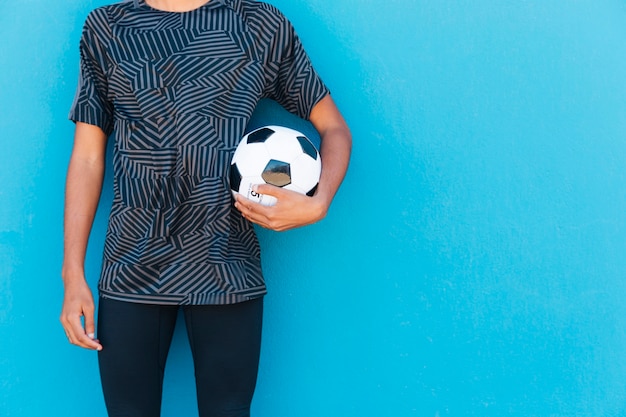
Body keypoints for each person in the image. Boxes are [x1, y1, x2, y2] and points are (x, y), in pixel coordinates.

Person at [59, 0, 351, 416]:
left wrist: (319, 202)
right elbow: (88, 157)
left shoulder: (257, 23)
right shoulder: (108, 27)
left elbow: (334, 127)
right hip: (132, 264)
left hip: (226, 262)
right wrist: (72, 275)